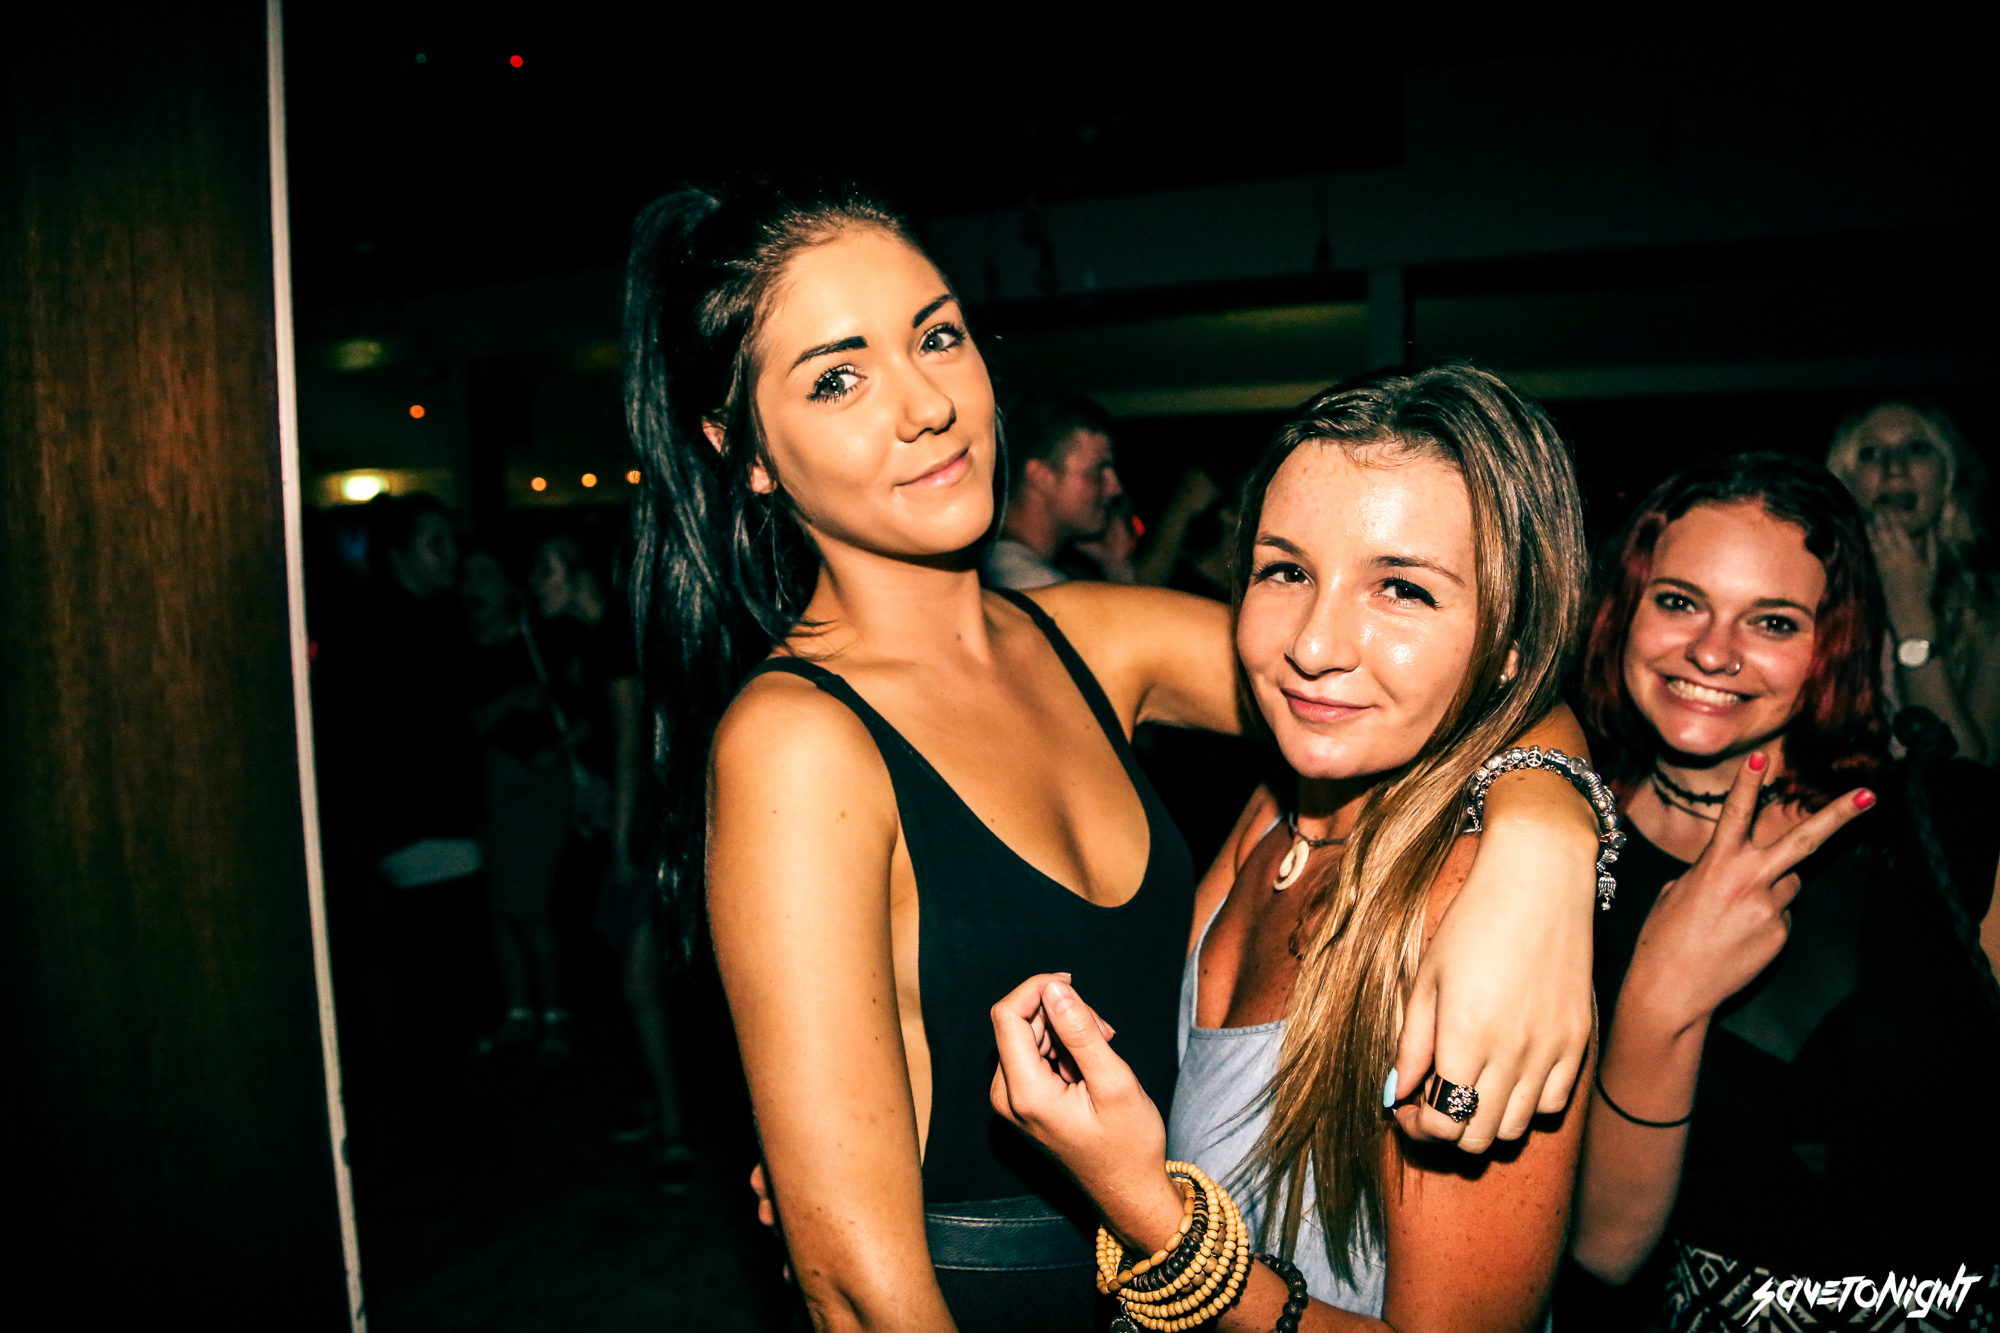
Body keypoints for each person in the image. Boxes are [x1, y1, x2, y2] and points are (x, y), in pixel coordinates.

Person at [626, 179, 1601, 1333]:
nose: (926, 405)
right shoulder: (796, 740)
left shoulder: (1096, 638)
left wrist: (1540, 848)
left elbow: (1448, 680)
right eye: (837, 378)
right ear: (742, 449)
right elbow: (855, 1286)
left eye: (935, 338)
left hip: (1187, 1275)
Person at [989, 365, 1606, 1329]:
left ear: (1512, 644)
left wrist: (1146, 1210)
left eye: (1402, 588)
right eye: (1286, 570)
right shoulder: (1280, 809)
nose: (1314, 645)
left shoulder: (1472, 929)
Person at [1569, 454, 2000, 1329]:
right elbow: (1604, 1249)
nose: (1711, 650)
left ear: (1832, 642)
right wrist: (1662, 996)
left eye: (1772, 620)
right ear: (1627, 609)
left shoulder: (1948, 823)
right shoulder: (1558, 851)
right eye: (1679, 601)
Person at [316, 492, 495, 1169]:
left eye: (450, 541)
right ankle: (437, 1129)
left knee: (434, 988)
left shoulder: (408, 618)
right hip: (417, 829)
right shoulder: (392, 626)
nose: (450, 557)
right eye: (435, 543)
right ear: (398, 552)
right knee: (435, 989)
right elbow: (402, 740)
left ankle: (438, 1122)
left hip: (419, 828)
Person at [529, 531, 695, 1183]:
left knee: (639, 986)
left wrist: (624, 844)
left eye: (545, 568)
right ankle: (664, 1107)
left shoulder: (613, 639)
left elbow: (631, 744)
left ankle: (677, 1133)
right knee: (646, 982)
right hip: (650, 825)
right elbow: (606, 726)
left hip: (650, 833)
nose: (535, 583)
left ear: (578, 573)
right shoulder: (602, 638)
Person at [1825, 396, 2000, 760]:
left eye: (1917, 448)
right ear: (1846, 479)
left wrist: (1912, 616)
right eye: (1870, 453)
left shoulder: (1988, 605)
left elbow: (1966, 772)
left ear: (1949, 472)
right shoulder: (1816, 592)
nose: (1894, 469)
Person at [461, 548, 572, 1065]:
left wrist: (558, 749)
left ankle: (554, 1015)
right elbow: (456, 730)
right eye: (467, 577)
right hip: (488, 787)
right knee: (499, 904)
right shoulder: (457, 646)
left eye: (485, 574)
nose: (473, 587)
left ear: (509, 584)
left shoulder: (538, 638)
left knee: (528, 903)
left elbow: (589, 708)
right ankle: (518, 1010)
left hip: (539, 786)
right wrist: (508, 703)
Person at [982, 389, 1123, 590]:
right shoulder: (1031, 583)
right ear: (1040, 476)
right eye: (1097, 470)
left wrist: (1115, 564)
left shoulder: (1006, 567)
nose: (1115, 489)